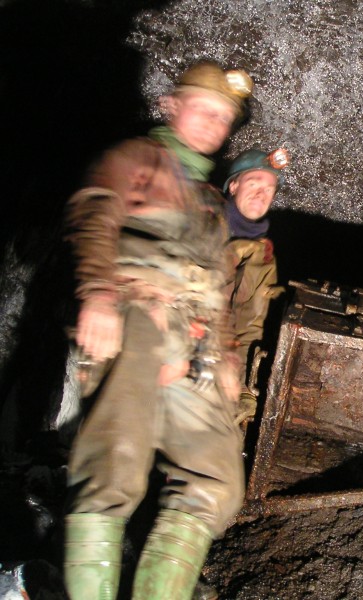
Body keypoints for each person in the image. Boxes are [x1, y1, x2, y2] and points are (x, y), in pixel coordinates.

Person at [62, 61, 252, 600]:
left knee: (217, 479)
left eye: (224, 117)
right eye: (204, 110)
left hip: (192, 338)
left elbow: (218, 281)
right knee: (113, 468)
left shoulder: (212, 201)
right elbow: (95, 214)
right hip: (135, 314)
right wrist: (99, 295)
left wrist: (227, 354)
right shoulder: (135, 158)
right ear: (171, 105)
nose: (215, 124)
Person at [222, 148, 289, 424]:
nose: (261, 194)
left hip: (219, 364)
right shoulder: (202, 224)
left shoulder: (262, 255)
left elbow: (250, 325)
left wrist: (242, 386)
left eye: (269, 189)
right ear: (233, 186)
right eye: (253, 184)